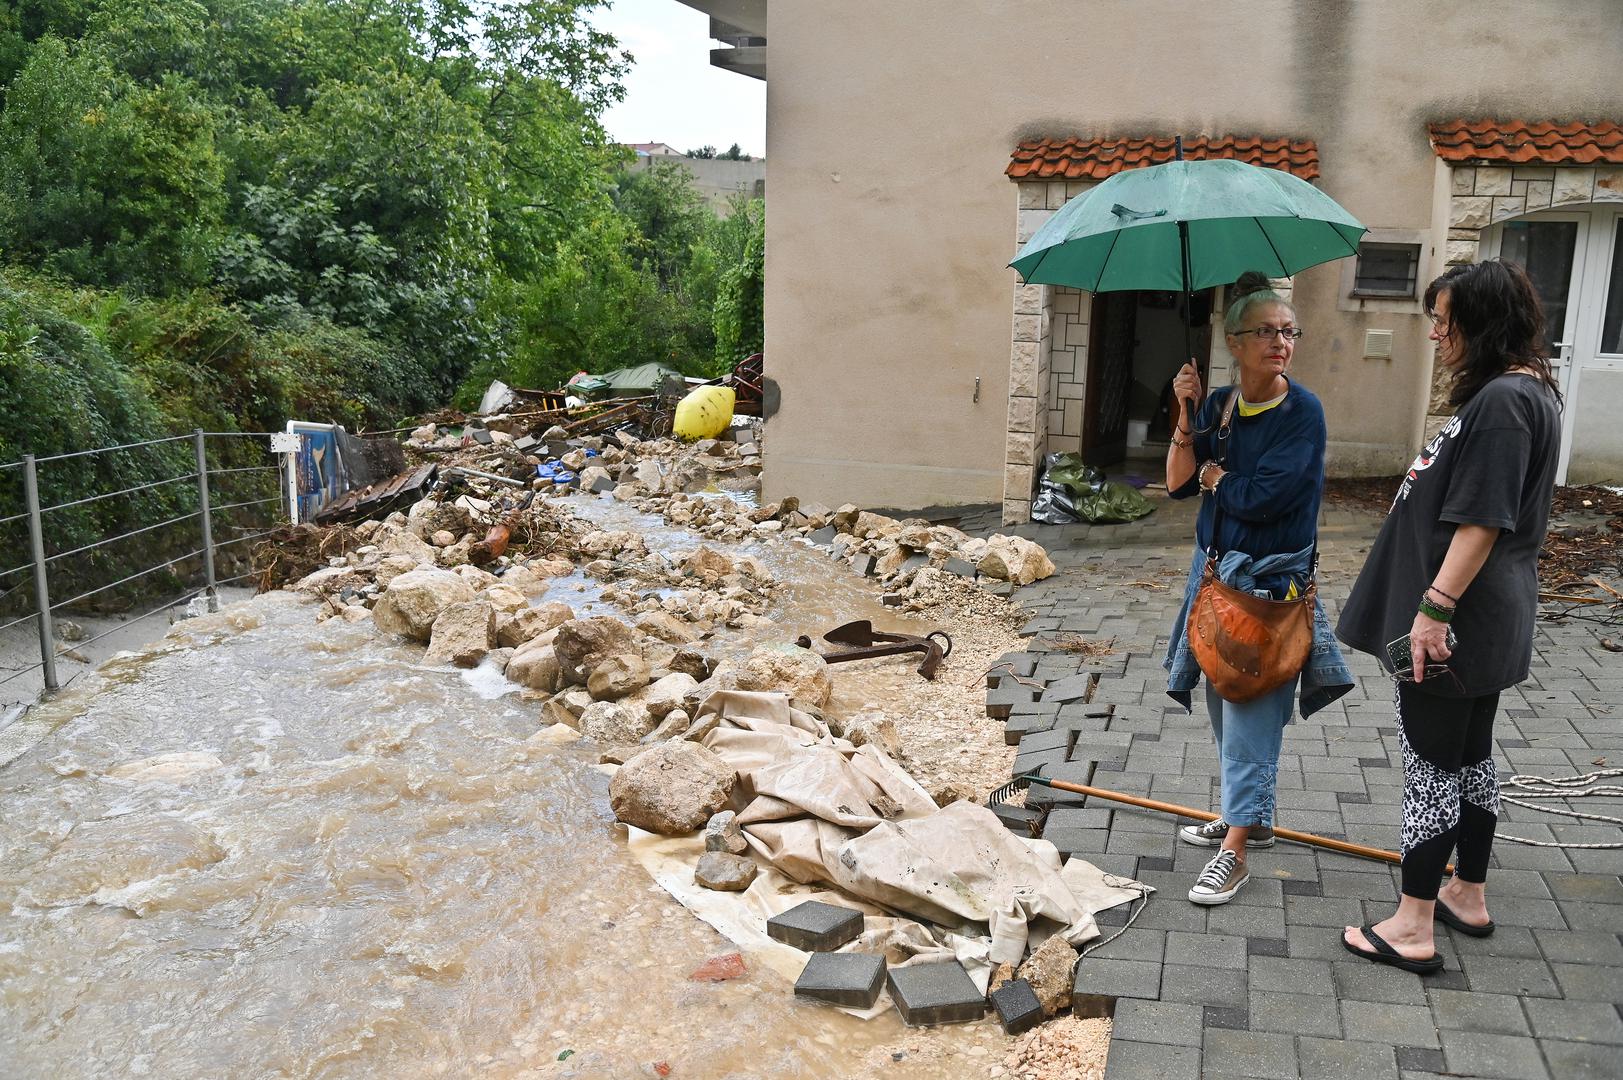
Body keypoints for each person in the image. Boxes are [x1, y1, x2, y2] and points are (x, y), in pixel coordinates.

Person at [1335, 259, 1561, 973]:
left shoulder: (1503, 402)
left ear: (1482, 322)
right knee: (1468, 759)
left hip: (1460, 622)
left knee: (1431, 767)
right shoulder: (1524, 391)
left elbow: (1482, 521)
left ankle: (1412, 924)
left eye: (1444, 321)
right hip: (1486, 618)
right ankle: (1466, 892)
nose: (1435, 335)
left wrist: (1433, 611)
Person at [1162, 272, 1353, 905]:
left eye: (1289, 332)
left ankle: (1236, 849)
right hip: (1216, 576)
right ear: (1235, 342)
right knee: (1224, 696)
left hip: (1267, 585)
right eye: (1266, 332)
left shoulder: (1303, 413)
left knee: (1250, 707)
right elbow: (1178, 483)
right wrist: (1185, 414)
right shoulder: (1219, 404)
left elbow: (1263, 498)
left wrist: (1217, 476)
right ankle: (1248, 816)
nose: (1280, 343)